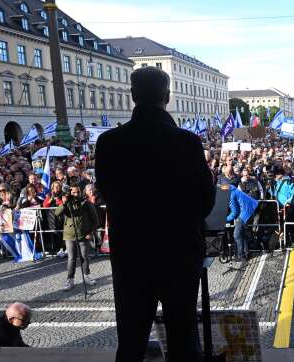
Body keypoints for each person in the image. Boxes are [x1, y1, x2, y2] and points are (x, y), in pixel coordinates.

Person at [96, 66, 215, 362]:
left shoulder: (109, 142)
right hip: (179, 251)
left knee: (132, 339)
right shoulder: (186, 142)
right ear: (167, 96)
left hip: (132, 253)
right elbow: (206, 199)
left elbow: (106, 194)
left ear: (133, 96)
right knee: (183, 338)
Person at [55, 185, 100, 291]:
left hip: (84, 235)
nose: (76, 194)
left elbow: (96, 220)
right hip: (69, 235)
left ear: (81, 192)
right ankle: (70, 279)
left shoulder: (86, 203)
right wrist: (64, 203)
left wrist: (90, 232)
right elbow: (57, 213)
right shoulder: (67, 203)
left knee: (84, 256)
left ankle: (86, 275)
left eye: (78, 192)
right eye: (73, 192)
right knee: (71, 258)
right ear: (70, 193)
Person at [226, 184, 259, 260]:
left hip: (246, 212)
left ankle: (241, 256)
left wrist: (226, 219)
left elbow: (235, 212)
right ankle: (246, 253)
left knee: (237, 235)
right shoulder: (232, 189)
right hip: (253, 207)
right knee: (242, 233)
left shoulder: (230, 195)